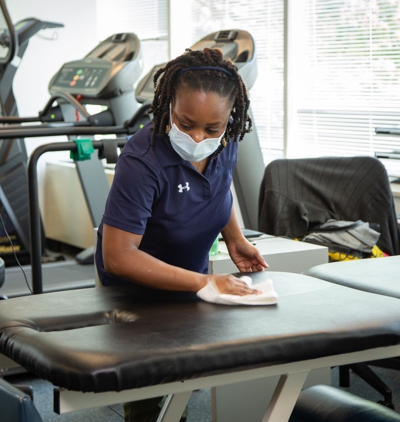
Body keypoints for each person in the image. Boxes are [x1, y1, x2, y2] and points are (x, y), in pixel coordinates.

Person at [94, 47, 268, 422]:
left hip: (191, 273)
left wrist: (235, 238)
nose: (197, 137)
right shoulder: (143, 161)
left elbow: (219, 189)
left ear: (229, 121)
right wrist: (205, 281)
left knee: (182, 377)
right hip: (137, 288)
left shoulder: (228, 140)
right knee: (148, 395)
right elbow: (119, 256)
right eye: (185, 123)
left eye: (212, 128)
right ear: (167, 107)